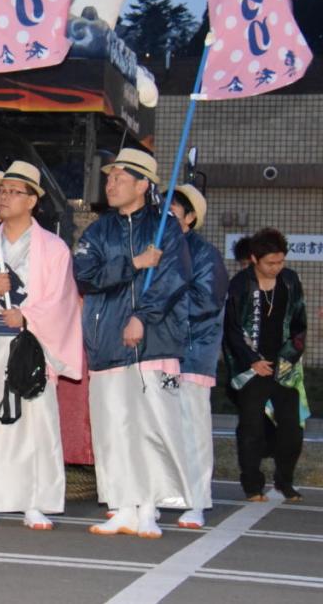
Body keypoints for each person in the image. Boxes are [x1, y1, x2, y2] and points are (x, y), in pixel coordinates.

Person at [0, 162, 84, 529]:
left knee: (34, 426)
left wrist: (27, 317)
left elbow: (62, 302)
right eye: (1, 191)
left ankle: (35, 501)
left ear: (33, 201)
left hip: (30, 345)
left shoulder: (54, 249)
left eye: (13, 191)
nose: (4, 197)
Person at [73, 147, 193, 539]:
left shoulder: (166, 227)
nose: (111, 184)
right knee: (113, 427)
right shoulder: (97, 230)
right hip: (105, 340)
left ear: (143, 184)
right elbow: (85, 276)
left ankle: (149, 506)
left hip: (153, 342)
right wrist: (134, 264)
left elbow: (175, 278)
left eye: (120, 177)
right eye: (109, 178)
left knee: (151, 425)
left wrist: (143, 316)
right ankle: (121, 504)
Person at [223, 228, 308, 502]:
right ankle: (252, 485)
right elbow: (232, 330)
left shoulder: (291, 282)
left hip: (283, 367)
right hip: (251, 368)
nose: (276, 268)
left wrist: (287, 358)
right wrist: (253, 361)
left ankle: (285, 481)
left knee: (292, 430)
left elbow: (299, 326)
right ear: (254, 259)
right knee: (251, 429)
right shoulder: (240, 284)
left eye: (281, 261)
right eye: (271, 263)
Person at [167, 185, 228, 528]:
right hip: (157, 353)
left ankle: (196, 500)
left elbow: (205, 303)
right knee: (160, 428)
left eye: (172, 213)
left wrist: (156, 308)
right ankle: (165, 494)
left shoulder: (206, 255)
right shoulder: (156, 247)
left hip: (191, 354)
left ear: (190, 218)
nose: (164, 218)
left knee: (191, 429)